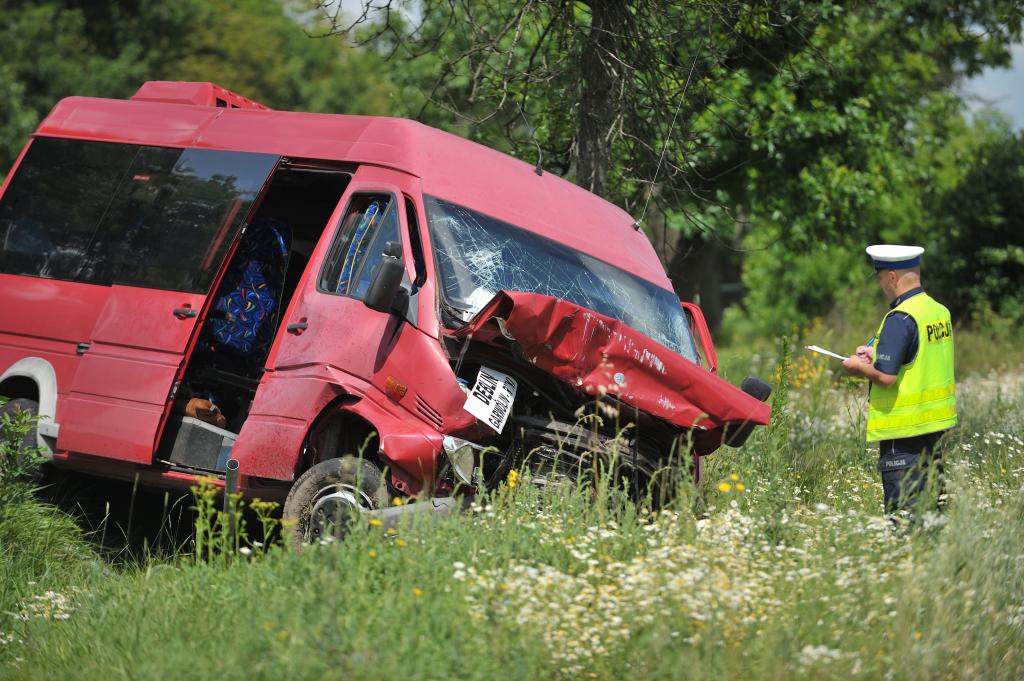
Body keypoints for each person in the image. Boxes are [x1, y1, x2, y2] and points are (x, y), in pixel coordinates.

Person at [842, 244, 957, 518]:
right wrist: (876, 353)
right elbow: (917, 356)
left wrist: (858, 366)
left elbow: (886, 376)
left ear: (892, 277)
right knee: (933, 510)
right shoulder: (937, 311)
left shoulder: (900, 317)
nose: (880, 284)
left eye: (880, 276)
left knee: (903, 517)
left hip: (903, 432)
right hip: (934, 428)